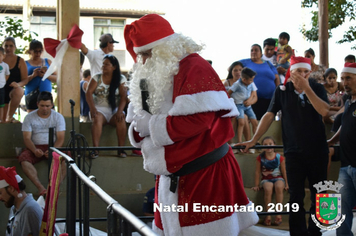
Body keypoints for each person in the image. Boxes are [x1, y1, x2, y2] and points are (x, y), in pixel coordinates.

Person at [124, 14, 258, 235]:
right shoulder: (151, 75)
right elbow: (140, 119)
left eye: (148, 53)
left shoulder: (194, 66)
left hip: (205, 174)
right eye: (141, 55)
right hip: (169, 180)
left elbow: (199, 120)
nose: (144, 61)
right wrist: (139, 131)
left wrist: (152, 126)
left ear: (165, 47)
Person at [239, 56, 330, 236]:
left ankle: (317, 232)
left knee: (319, 194)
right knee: (296, 196)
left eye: (306, 72)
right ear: (291, 72)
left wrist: (307, 88)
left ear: (309, 73)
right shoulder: (282, 90)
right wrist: (254, 140)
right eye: (298, 72)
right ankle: (297, 233)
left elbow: (324, 110)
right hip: (293, 151)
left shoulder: (316, 87)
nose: (302, 76)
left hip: (318, 150)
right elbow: (269, 114)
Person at [18, 91, 66, 196]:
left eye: (47, 106)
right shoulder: (29, 117)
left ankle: (55, 187)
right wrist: (34, 150)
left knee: (65, 159)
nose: (45, 108)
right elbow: (26, 138)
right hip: (35, 146)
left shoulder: (58, 117)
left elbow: (61, 138)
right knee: (23, 159)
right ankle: (41, 188)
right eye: (42, 106)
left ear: (52, 105)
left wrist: (53, 150)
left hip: (53, 146)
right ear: (37, 104)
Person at [327, 62, 356, 236]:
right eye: (343, 79)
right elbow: (344, 126)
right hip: (346, 166)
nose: (344, 82)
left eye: (349, 78)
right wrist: (330, 141)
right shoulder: (347, 100)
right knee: (342, 215)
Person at [86, 54, 127, 158]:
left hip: (115, 110)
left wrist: (120, 111)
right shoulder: (97, 77)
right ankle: (96, 150)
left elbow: (123, 97)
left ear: (114, 67)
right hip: (99, 109)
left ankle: (121, 150)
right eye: (103, 64)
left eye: (107, 64)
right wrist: (92, 108)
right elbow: (88, 93)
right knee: (97, 118)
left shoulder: (121, 79)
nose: (103, 66)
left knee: (121, 119)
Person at [251, 136, 288, 226]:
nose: (268, 146)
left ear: (274, 145)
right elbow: (257, 172)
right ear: (262, 147)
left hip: (278, 178)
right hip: (266, 179)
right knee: (268, 189)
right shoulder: (260, 158)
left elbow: (284, 171)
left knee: (279, 187)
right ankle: (268, 215)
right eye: (265, 145)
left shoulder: (279, 157)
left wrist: (287, 183)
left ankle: (278, 214)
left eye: (270, 144)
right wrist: (256, 185)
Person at [239, 44, 279, 120]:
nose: (253, 52)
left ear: (261, 53)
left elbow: (276, 78)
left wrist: (278, 94)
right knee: (254, 123)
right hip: (252, 100)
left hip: (270, 100)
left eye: (256, 50)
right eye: (252, 50)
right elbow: (232, 69)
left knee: (269, 123)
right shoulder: (245, 62)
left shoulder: (268, 63)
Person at [0, 166, 43, 236]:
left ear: (11, 188)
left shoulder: (30, 210)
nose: (0, 198)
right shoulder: (14, 207)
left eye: (0, 193)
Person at [227, 67, 258, 146]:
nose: (252, 81)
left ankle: (254, 141)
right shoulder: (237, 84)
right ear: (244, 80)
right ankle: (239, 142)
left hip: (248, 106)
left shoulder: (250, 83)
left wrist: (249, 101)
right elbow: (229, 93)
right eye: (251, 80)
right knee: (241, 122)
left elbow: (253, 94)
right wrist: (231, 103)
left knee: (255, 122)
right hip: (239, 105)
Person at [25, 40, 57, 112]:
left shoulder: (47, 61)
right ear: (30, 51)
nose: (38, 54)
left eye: (40, 51)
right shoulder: (25, 63)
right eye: (35, 51)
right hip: (31, 95)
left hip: (46, 96)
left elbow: (57, 78)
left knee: (50, 118)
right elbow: (22, 81)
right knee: (33, 119)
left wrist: (46, 75)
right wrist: (33, 75)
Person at [2, 37, 27, 123]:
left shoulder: (20, 61)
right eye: (6, 46)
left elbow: (25, 79)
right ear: (2, 47)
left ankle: (10, 117)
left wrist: (18, 84)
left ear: (15, 47)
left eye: (11, 46)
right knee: (3, 121)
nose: (8, 48)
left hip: (12, 92)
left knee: (19, 90)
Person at [0, 47, 10, 123]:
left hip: (1, 87)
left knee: (1, 105)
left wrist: (3, 82)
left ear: (3, 56)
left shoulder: (5, 66)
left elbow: (7, 75)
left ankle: (2, 120)